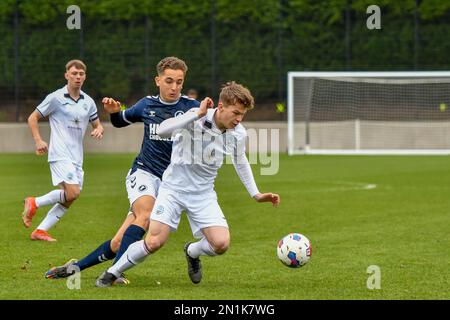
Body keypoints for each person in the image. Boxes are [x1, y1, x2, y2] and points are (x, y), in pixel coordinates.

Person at [95, 81, 280, 287]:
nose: (239, 119)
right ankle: (112, 272)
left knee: (221, 244)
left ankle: (192, 251)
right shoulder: (195, 115)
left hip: (203, 194)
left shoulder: (239, 133)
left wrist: (256, 194)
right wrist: (195, 115)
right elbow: (164, 130)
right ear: (220, 106)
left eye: (242, 115)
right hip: (172, 190)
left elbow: (240, 160)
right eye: (235, 113)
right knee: (155, 241)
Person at [44, 56, 199, 284]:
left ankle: (74, 268)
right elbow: (120, 122)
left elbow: (217, 122)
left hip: (171, 183)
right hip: (144, 173)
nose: (174, 87)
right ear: (158, 80)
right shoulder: (147, 105)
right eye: (169, 81)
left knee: (118, 243)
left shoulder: (191, 107)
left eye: (179, 81)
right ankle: (114, 273)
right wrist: (114, 112)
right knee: (145, 215)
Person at [22, 59, 104, 242]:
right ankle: (34, 202)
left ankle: (40, 230)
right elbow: (32, 117)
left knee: (70, 197)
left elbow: (97, 124)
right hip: (59, 153)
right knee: (73, 192)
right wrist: (38, 140)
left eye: (81, 74)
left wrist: (98, 129)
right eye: (74, 73)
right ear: (67, 75)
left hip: (77, 156)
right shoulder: (56, 98)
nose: (78, 77)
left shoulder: (88, 101)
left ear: (85, 77)